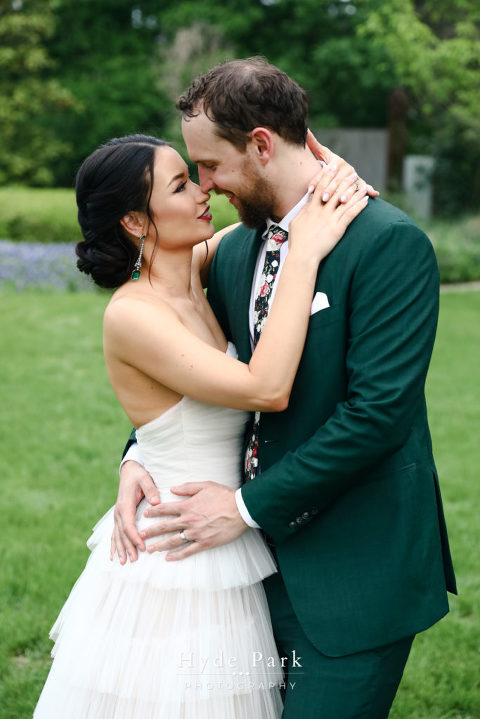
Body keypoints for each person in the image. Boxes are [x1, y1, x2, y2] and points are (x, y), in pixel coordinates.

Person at [117, 58, 457, 719]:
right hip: (241, 580)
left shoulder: (388, 244)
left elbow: (377, 417)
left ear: (261, 144)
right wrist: (140, 450)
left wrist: (243, 508)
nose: (205, 186)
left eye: (210, 165)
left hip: (354, 574)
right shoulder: (233, 249)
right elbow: (196, 366)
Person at [33, 132, 367, 718]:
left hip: (221, 538)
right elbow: (266, 388)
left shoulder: (193, 267)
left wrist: (329, 173)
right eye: (180, 186)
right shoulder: (133, 315)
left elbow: (283, 216)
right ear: (136, 222)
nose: (202, 190)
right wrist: (305, 255)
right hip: (176, 554)